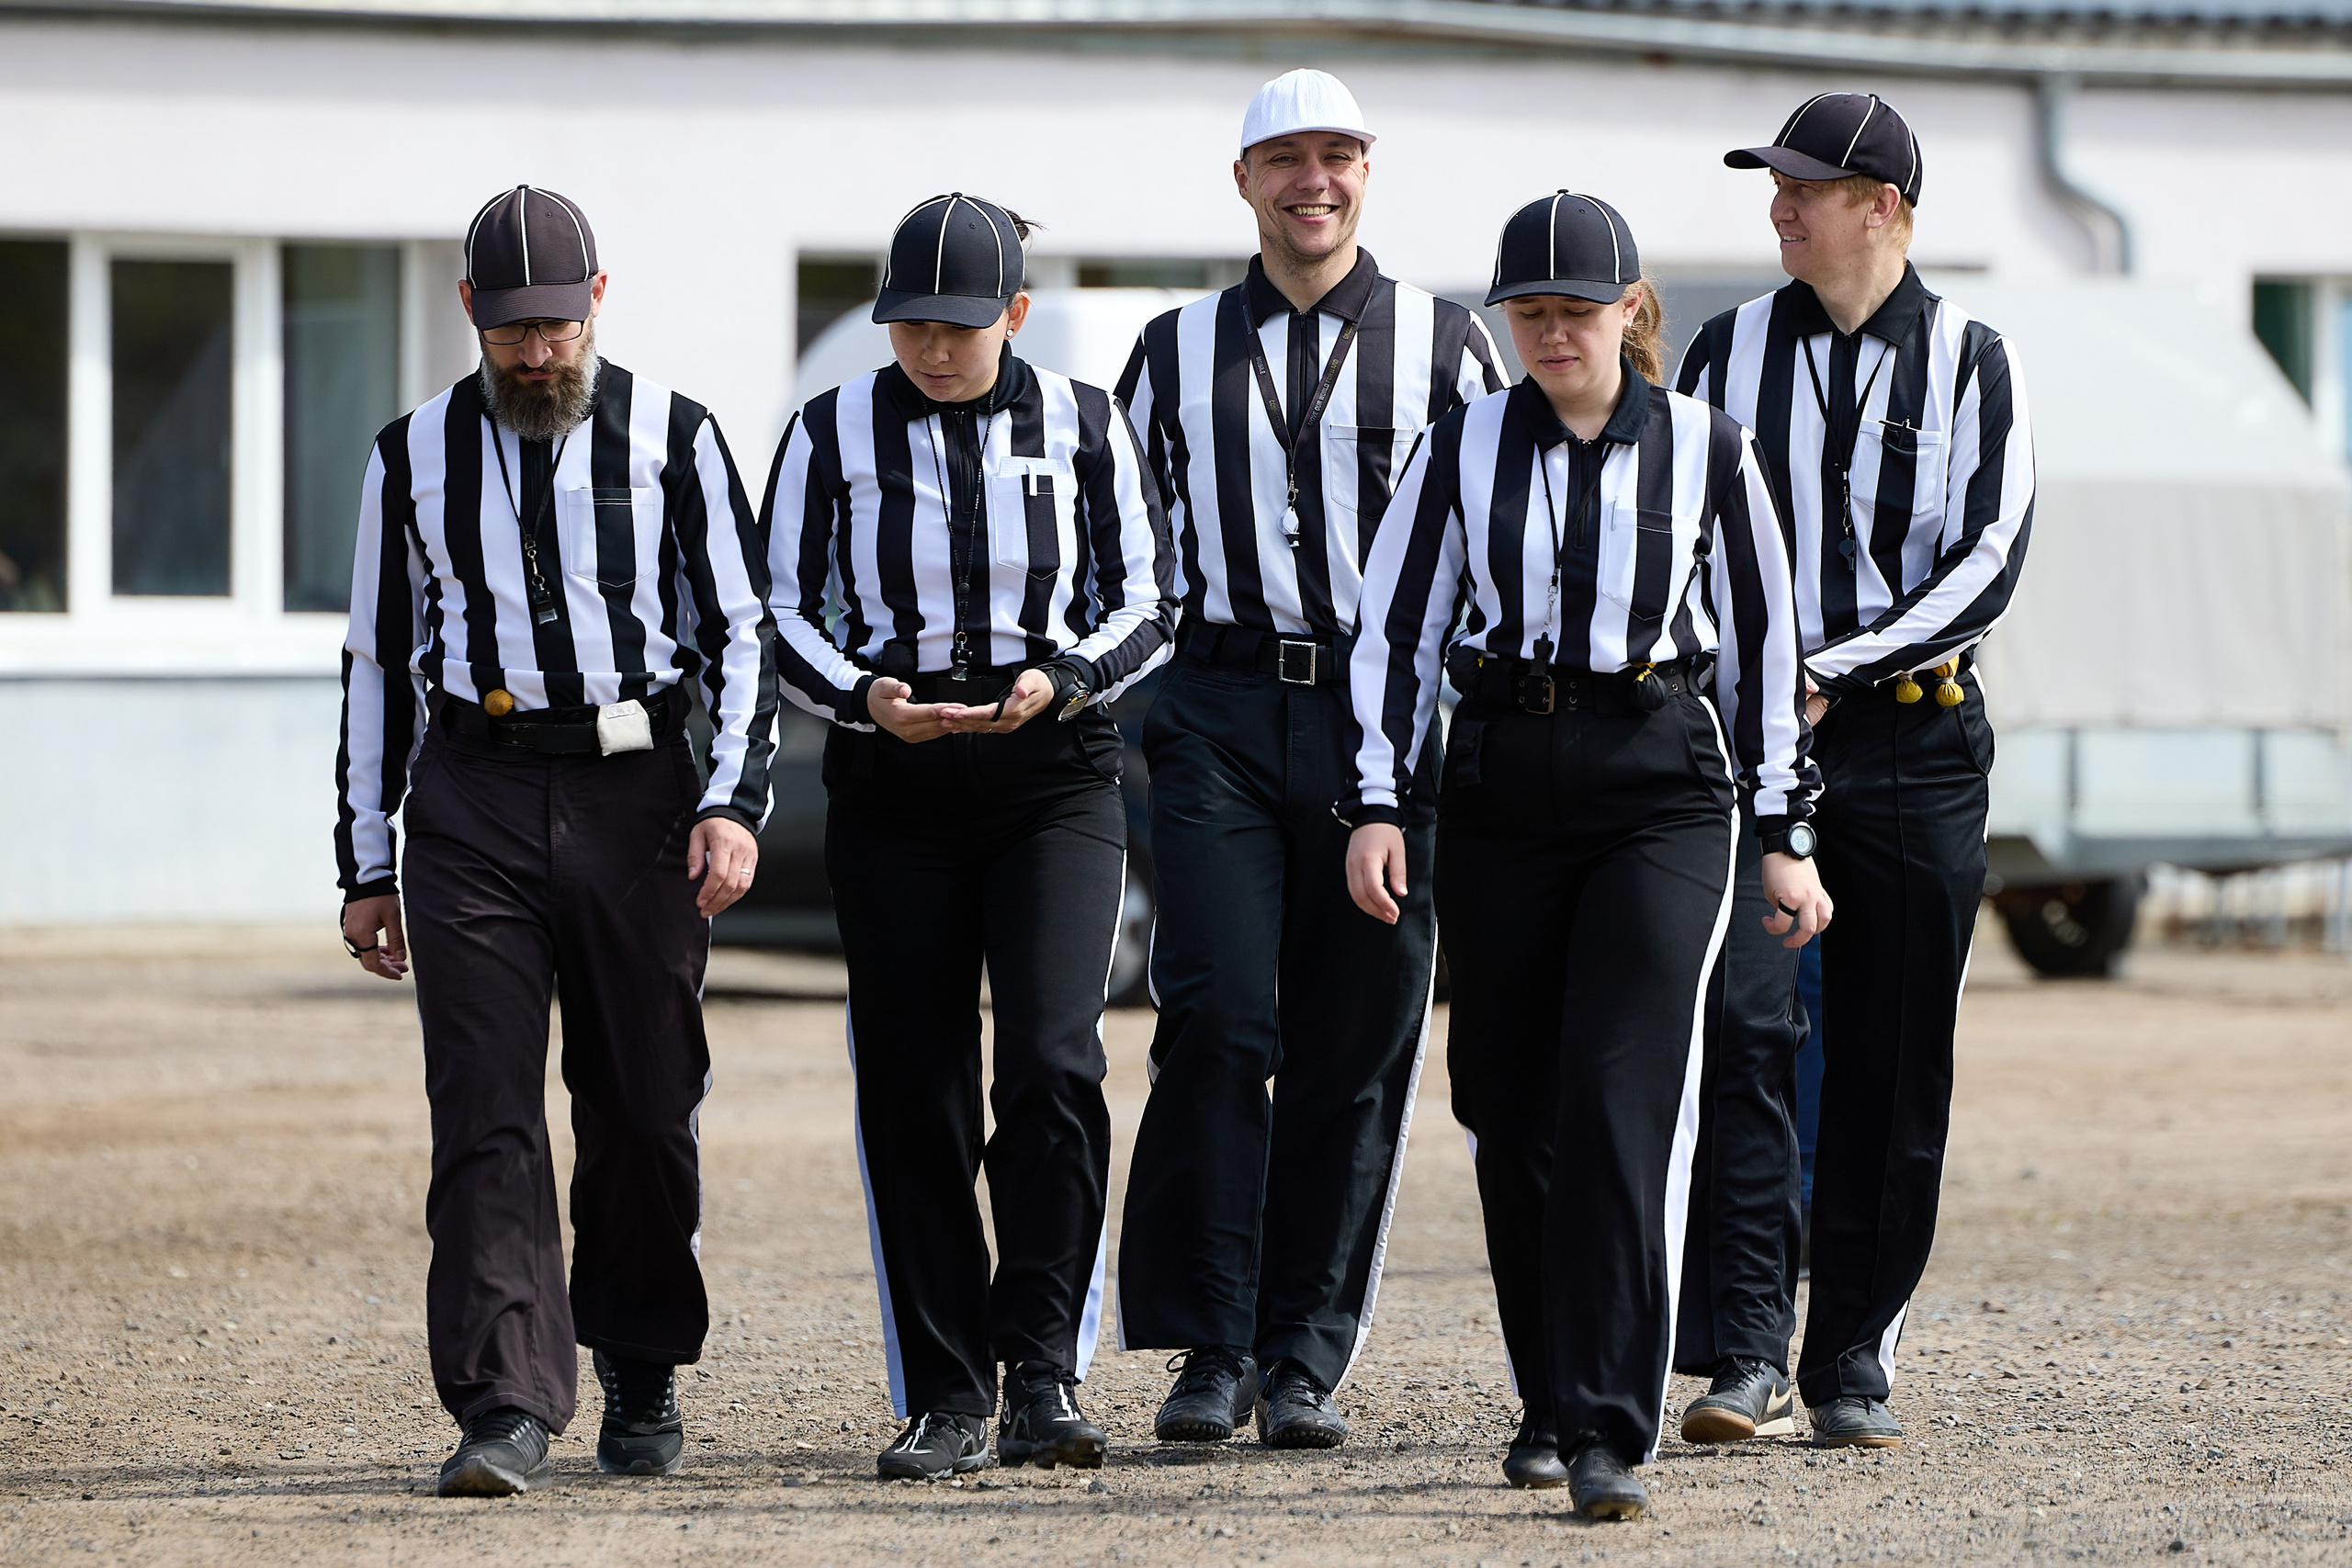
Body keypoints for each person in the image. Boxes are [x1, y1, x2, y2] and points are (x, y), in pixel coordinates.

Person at [1343, 192, 1828, 1519]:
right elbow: (1396, 631)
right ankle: (1549, 1396)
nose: (1552, 332)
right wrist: (1377, 804)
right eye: (1529, 312)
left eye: (1577, 308)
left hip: (1660, 788)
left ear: (1630, 309)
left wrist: (1785, 833)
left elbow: (1769, 649)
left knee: (1619, 1102)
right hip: (1504, 777)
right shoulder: (1458, 449)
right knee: (1507, 1104)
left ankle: (1610, 1428)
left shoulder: (1710, 450)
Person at [334, 185, 778, 1496]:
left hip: (639, 790)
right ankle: (504, 1402)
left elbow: (743, 632)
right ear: (470, 312)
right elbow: (372, 657)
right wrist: (367, 856)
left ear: (600, 302)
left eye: (559, 327)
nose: (539, 355)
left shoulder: (677, 442)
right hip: (470, 795)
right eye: (514, 329)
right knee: (482, 1107)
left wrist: (731, 804)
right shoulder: (407, 454)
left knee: (643, 1102)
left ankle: (639, 1360)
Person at [1113, 67, 1504, 1452]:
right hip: (1215, 706)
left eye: (1337, 155)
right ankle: (1207, 1344)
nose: (1312, 181)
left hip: (1378, 716)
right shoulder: (1169, 351)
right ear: (1243, 183)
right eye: (1285, 159)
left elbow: (1492, 541)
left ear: (1367, 171)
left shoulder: (1454, 348)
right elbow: (1129, 545)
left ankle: (1303, 1357)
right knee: (1218, 1016)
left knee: (1357, 1038)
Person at [763, 193, 1175, 1481]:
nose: (933, 349)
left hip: (1052, 772)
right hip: (896, 779)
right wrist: (865, 699)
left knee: (1052, 1065)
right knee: (913, 1083)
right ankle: (946, 1389)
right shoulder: (829, 431)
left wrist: (1064, 676)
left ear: (1015, 314)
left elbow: (1153, 601)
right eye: (910, 326)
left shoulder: (1085, 422)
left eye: (959, 325)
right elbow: (774, 609)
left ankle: (1043, 1372)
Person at [1675, 92, 2035, 1449]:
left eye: (1806, 188)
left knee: (1892, 1060)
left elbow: (1990, 560)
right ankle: (1746, 1352)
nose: (1781, 207)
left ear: (1883, 206)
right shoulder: (1723, 354)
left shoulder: (1972, 360)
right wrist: (1758, 676)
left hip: (1915, 747)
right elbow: (1681, 526)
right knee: (1748, 1030)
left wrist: (1839, 663)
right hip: (1757, 740)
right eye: (1775, 185)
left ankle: (1854, 1358)